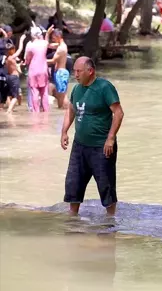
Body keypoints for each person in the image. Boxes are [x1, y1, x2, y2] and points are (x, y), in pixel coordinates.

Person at [61, 57, 124, 216]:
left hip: (101, 146)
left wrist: (111, 138)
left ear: (90, 71)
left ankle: (110, 218)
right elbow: (71, 110)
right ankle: (73, 217)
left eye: (79, 71)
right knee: (73, 183)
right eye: (74, 71)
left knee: (106, 185)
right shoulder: (76, 89)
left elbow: (118, 113)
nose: (75, 74)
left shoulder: (104, 87)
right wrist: (64, 132)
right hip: (79, 145)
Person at [25, 26, 50, 112]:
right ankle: (46, 111)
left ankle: (36, 112)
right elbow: (47, 43)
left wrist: (26, 62)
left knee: (34, 92)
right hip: (43, 70)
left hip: (33, 71)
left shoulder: (29, 45)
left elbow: (27, 59)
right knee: (44, 92)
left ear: (32, 35)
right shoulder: (44, 43)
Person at [46, 28, 70, 109]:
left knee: (62, 95)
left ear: (58, 36)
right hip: (59, 73)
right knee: (60, 94)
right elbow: (48, 45)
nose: (52, 39)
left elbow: (53, 61)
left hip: (61, 73)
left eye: (53, 38)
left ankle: (64, 111)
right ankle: (61, 110)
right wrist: (47, 34)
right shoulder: (59, 45)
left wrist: (41, 61)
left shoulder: (61, 48)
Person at [3, 42, 21, 113]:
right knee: (15, 97)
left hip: (8, 77)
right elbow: (20, 49)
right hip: (14, 78)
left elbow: (12, 67)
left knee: (9, 95)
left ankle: (10, 109)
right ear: (11, 50)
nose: (15, 50)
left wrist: (18, 65)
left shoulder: (6, 58)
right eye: (14, 49)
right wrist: (22, 40)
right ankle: (9, 111)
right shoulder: (11, 57)